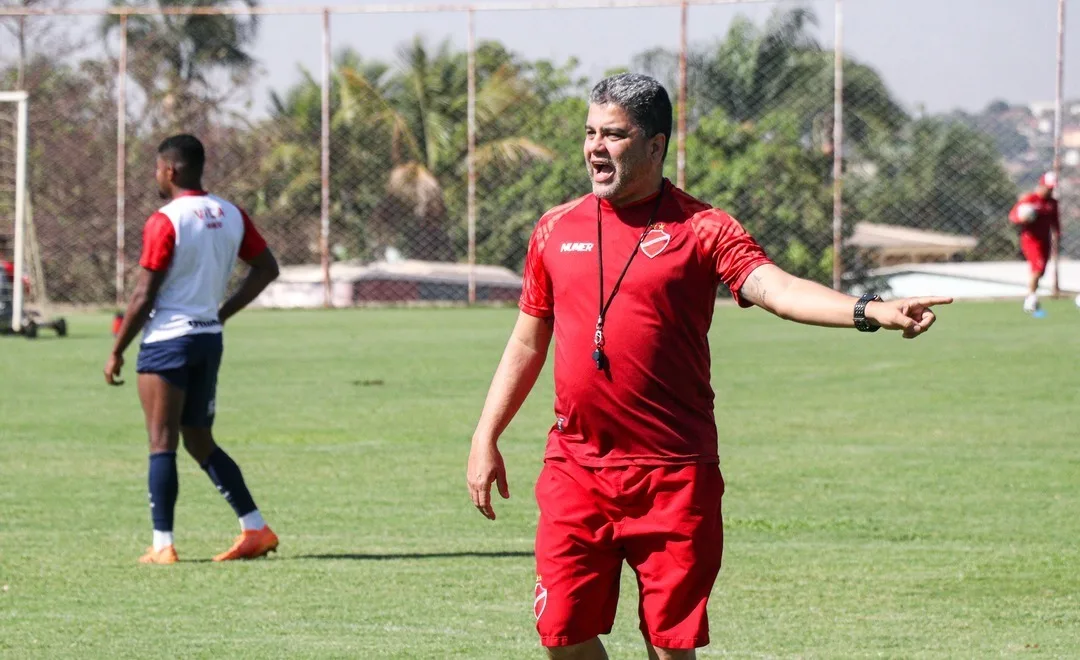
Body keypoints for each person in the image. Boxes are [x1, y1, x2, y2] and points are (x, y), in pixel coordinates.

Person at [465, 73, 952, 660]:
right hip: (577, 468)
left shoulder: (703, 228)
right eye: (590, 132)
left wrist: (867, 309)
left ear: (654, 145)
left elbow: (777, 289)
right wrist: (485, 435)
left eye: (613, 134)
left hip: (674, 475)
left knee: (672, 647)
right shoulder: (554, 228)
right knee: (564, 635)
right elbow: (526, 342)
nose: (595, 147)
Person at [104, 134, 281, 565]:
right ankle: (255, 528)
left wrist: (117, 349)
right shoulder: (231, 213)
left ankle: (162, 544)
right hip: (207, 338)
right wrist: (222, 313)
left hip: (167, 340)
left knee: (161, 442)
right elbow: (266, 268)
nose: (156, 175)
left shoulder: (166, 220)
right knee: (199, 440)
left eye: (157, 168)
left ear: (171, 170)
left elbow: (145, 294)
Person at [1009, 171, 1061, 313]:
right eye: (1049, 188)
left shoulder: (1053, 203)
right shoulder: (1030, 199)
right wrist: (1022, 219)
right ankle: (1030, 299)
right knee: (1037, 268)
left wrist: (1058, 234)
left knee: (1041, 270)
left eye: (1052, 188)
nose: (1050, 191)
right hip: (1030, 240)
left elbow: (1055, 221)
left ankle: (1031, 297)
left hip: (1045, 240)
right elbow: (1013, 216)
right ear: (1042, 185)